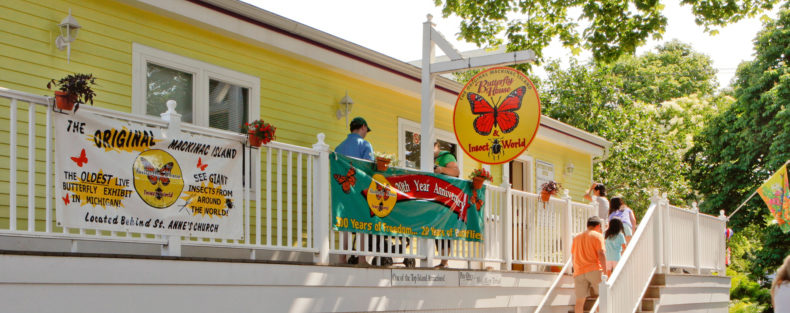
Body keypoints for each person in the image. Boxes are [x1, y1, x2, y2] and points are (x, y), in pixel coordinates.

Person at [335, 117, 374, 266]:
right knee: (361, 222)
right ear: (363, 127)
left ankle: (341, 259)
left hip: (343, 190)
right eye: (366, 131)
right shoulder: (365, 145)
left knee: (345, 224)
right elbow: (368, 167)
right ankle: (362, 259)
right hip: (359, 188)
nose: (366, 134)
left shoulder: (339, 148)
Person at [571, 216, 607, 313]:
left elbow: (573, 255)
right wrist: (605, 271)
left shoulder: (577, 237)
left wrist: (575, 269)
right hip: (594, 269)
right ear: (598, 226)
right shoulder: (597, 236)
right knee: (602, 297)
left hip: (579, 271)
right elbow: (601, 253)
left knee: (579, 301)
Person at [433, 142, 459, 268]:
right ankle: (443, 262)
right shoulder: (429, 158)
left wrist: (441, 169)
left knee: (444, 229)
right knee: (436, 229)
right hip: (434, 198)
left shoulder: (446, 156)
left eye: (433, 147)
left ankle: (444, 262)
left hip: (447, 198)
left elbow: (455, 171)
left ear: (437, 145)